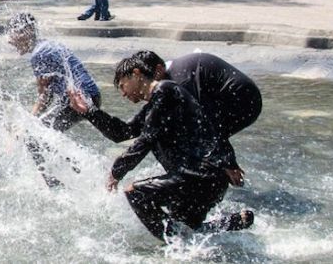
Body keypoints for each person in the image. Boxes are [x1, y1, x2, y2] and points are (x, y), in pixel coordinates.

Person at [67, 56, 254, 241]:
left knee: (135, 193)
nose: (123, 94)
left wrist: (116, 171)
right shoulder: (156, 103)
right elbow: (122, 132)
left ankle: (177, 245)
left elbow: (146, 140)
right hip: (204, 179)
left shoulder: (166, 91)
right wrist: (89, 112)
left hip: (201, 176)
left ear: (136, 74)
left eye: (123, 85)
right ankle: (232, 222)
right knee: (189, 230)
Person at [128, 50, 261, 187]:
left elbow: (206, 120)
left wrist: (228, 161)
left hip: (243, 101)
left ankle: (197, 181)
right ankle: (201, 178)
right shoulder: (172, 74)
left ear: (158, 70)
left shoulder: (181, 81)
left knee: (189, 134)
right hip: (236, 99)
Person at [6, 13, 101, 187]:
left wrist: (25, 123)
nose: (9, 40)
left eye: (12, 33)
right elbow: (47, 94)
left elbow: (44, 97)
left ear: (26, 32)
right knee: (44, 135)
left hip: (80, 100)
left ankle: (58, 183)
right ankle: (77, 170)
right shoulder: (45, 46)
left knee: (31, 135)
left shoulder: (39, 54)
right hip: (85, 97)